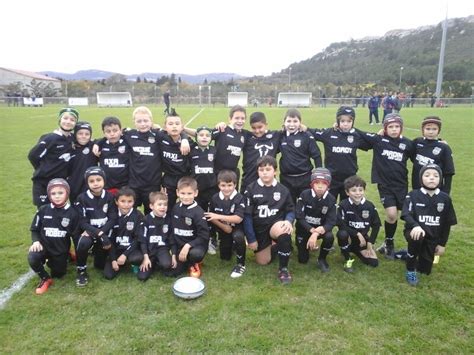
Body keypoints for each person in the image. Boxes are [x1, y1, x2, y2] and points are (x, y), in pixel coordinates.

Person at [360, 113, 414, 259]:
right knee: (391, 214)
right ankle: (389, 244)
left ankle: (415, 244)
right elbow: (360, 134)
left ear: (401, 128)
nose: (394, 129)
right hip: (385, 185)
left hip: (402, 185)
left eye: (397, 126)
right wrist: (337, 126)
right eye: (390, 127)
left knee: (408, 215)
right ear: (385, 128)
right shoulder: (379, 140)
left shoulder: (408, 144)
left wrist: (439, 142)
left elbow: (421, 155)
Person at [122, 106, 189, 214]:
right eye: (139, 121)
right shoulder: (129, 135)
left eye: (146, 120)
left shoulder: (158, 135)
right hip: (134, 184)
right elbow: (113, 135)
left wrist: (184, 139)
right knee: (130, 212)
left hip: (152, 184)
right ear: (134, 122)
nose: (143, 124)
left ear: (151, 121)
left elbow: (175, 131)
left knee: (152, 213)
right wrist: (98, 144)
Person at [401, 164, 457, 286]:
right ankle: (410, 270)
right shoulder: (413, 195)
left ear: (440, 179)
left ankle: (407, 254)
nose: (431, 178)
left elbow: (447, 224)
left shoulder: (445, 198)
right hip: (414, 232)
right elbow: (406, 214)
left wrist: (442, 244)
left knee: (425, 270)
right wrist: (415, 225)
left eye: (436, 176)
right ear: (421, 179)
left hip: (433, 238)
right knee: (417, 237)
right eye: (427, 175)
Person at [243, 156, 295, 284]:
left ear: (275, 171)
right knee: (263, 262)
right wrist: (251, 239)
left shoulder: (283, 190)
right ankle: (278, 246)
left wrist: (288, 221)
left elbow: (290, 210)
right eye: (261, 170)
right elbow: (247, 216)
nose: (264, 172)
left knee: (284, 231)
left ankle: (283, 269)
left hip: (274, 226)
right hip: (259, 229)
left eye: (268, 169)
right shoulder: (250, 189)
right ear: (257, 172)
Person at [27, 179, 80, 294]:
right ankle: (45, 279)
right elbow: (34, 229)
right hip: (44, 246)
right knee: (32, 257)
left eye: (60, 193)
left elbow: (76, 237)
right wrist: (36, 241)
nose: (57, 196)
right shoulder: (43, 210)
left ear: (67, 193)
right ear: (49, 195)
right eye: (53, 193)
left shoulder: (73, 213)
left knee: (59, 274)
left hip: (60, 249)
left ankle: (67, 255)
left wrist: (80, 257)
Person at [310, 106, 370, 202]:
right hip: (331, 178)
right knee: (328, 205)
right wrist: (302, 127)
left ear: (353, 122)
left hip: (350, 179)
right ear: (338, 121)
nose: (345, 124)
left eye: (349, 121)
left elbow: (373, 142)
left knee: (347, 207)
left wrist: (383, 134)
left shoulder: (356, 136)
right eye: (342, 121)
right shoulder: (329, 133)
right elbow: (312, 132)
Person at [74, 167, 118, 287]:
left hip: (105, 231)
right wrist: (99, 233)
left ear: (104, 180)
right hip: (91, 232)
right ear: (87, 183)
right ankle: (81, 271)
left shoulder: (109, 197)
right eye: (91, 181)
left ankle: (98, 253)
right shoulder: (81, 198)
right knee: (83, 243)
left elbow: (113, 219)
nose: (95, 183)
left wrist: (103, 233)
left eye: (98, 180)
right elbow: (82, 222)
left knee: (99, 265)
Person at [28, 108, 78, 207]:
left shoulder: (72, 138)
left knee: (58, 212)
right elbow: (33, 156)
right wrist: (44, 168)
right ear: (60, 120)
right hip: (43, 182)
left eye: (72, 120)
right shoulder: (50, 138)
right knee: (44, 212)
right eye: (65, 118)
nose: (68, 122)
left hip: (60, 183)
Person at [205, 170, 247, 278]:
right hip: (224, 229)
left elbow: (238, 219)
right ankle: (230, 245)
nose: (226, 188)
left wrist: (219, 216)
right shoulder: (215, 198)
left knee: (238, 237)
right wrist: (223, 226)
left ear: (235, 185)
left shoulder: (240, 198)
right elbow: (210, 216)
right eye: (223, 185)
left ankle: (241, 264)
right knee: (225, 257)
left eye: (230, 185)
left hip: (237, 228)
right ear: (218, 185)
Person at [336, 175, 381, 272]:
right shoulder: (343, 205)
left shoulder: (369, 206)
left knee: (374, 263)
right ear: (347, 192)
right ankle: (347, 258)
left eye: (360, 190)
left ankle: (355, 250)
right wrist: (357, 233)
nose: (358, 193)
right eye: (354, 190)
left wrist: (370, 242)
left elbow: (376, 225)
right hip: (348, 237)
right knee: (342, 234)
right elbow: (341, 224)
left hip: (362, 241)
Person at [295, 168, 336, 273]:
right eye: (317, 182)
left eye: (324, 183)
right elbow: (299, 217)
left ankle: (322, 258)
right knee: (302, 260)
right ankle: (304, 244)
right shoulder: (304, 195)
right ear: (312, 184)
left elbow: (331, 222)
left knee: (329, 236)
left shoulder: (331, 199)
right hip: (304, 229)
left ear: (328, 185)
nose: (320, 186)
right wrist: (311, 230)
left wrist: (316, 233)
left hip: (320, 230)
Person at [279, 108, 322, 203]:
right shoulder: (280, 136)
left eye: (295, 121)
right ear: (284, 122)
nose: (291, 124)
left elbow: (317, 155)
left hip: (305, 178)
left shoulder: (306, 136)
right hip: (286, 179)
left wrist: (319, 174)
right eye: (289, 121)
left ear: (300, 123)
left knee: (306, 205)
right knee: (288, 206)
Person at [169, 177, 209, 278]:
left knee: (196, 254)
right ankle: (184, 261)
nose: (186, 197)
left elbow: (204, 236)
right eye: (183, 193)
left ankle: (194, 263)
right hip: (179, 246)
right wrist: (174, 252)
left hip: (194, 246)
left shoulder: (199, 212)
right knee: (170, 272)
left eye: (189, 193)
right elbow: (172, 231)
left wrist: (188, 246)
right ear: (177, 192)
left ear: (195, 193)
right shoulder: (175, 208)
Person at [103, 187, 144, 280]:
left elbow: (138, 239)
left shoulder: (138, 215)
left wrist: (125, 254)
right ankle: (118, 262)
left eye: (130, 201)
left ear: (134, 202)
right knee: (108, 275)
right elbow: (110, 240)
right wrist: (113, 259)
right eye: (123, 201)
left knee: (136, 258)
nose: (126, 205)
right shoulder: (111, 215)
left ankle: (133, 263)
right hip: (116, 249)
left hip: (131, 249)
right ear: (116, 202)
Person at [411, 116, 455, 194]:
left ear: (439, 131)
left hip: (435, 189)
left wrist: (446, 192)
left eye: (434, 129)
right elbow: (410, 155)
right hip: (417, 186)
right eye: (428, 129)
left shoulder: (444, 147)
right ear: (422, 130)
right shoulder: (417, 142)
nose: (431, 132)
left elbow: (449, 172)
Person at [241, 112, 281, 193]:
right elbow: (231, 131)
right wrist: (222, 125)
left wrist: (303, 127)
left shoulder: (275, 136)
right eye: (253, 128)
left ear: (266, 124)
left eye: (260, 127)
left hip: (268, 180)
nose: (257, 131)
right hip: (249, 179)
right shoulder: (246, 136)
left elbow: (290, 130)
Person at [138, 191, 174, 281]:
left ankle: (158, 262)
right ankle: (151, 262)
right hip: (149, 250)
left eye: (165, 204)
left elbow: (172, 239)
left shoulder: (169, 219)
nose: (163, 207)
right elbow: (142, 240)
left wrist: (173, 255)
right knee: (142, 277)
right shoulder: (145, 220)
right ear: (151, 206)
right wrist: (145, 257)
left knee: (167, 265)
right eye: (159, 204)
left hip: (162, 249)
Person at [159, 108, 191, 210]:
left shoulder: (188, 142)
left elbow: (203, 138)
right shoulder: (160, 138)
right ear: (165, 127)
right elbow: (151, 127)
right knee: (168, 207)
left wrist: (185, 138)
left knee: (186, 207)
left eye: (177, 124)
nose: (174, 126)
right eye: (170, 124)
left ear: (182, 127)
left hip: (184, 179)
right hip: (168, 179)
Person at [97, 116, 130, 195]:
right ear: (104, 133)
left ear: (120, 130)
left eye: (115, 130)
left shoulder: (127, 142)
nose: (112, 134)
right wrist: (97, 144)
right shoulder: (101, 145)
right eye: (108, 131)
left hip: (125, 187)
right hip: (107, 186)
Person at [68, 121, 98, 202]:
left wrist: (97, 143)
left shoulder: (93, 146)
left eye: (87, 134)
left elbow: (103, 140)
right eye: (80, 133)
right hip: (74, 186)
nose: (83, 136)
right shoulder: (70, 147)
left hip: (90, 187)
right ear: (75, 134)